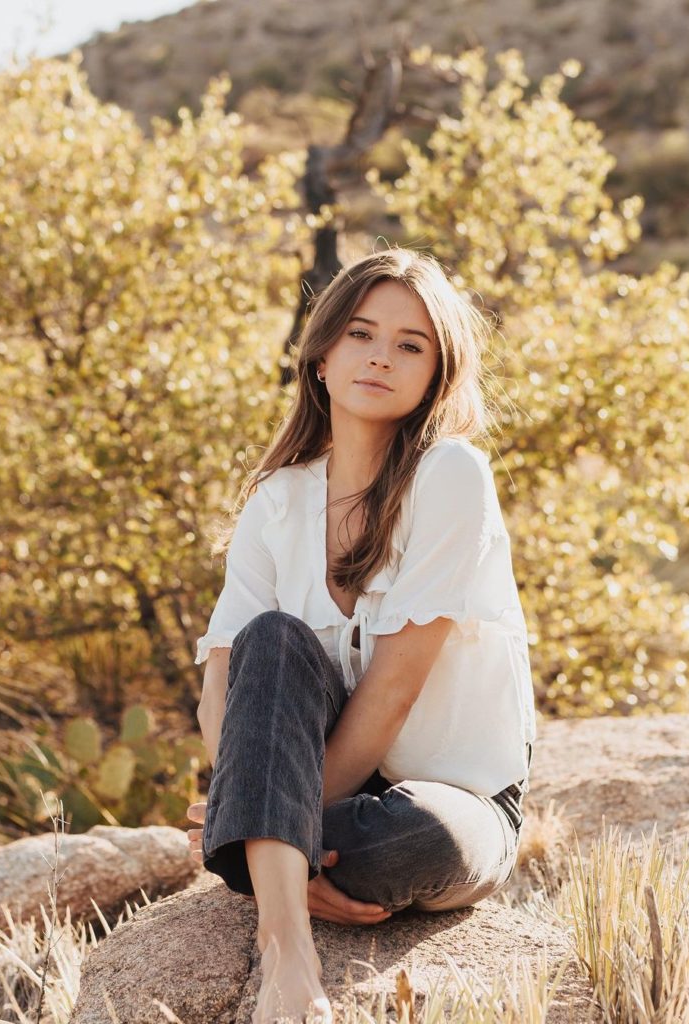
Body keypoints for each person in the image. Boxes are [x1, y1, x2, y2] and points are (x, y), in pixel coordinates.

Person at [186, 247, 537, 1024]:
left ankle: (265, 853)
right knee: (271, 638)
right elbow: (224, 688)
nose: (380, 357)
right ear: (320, 357)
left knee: (411, 841)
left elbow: (393, 692)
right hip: (315, 788)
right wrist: (251, 791)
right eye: (360, 334)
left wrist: (266, 822)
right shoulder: (276, 500)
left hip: (455, 799)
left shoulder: (449, 478)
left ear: (436, 373)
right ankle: (288, 956)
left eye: (409, 345)